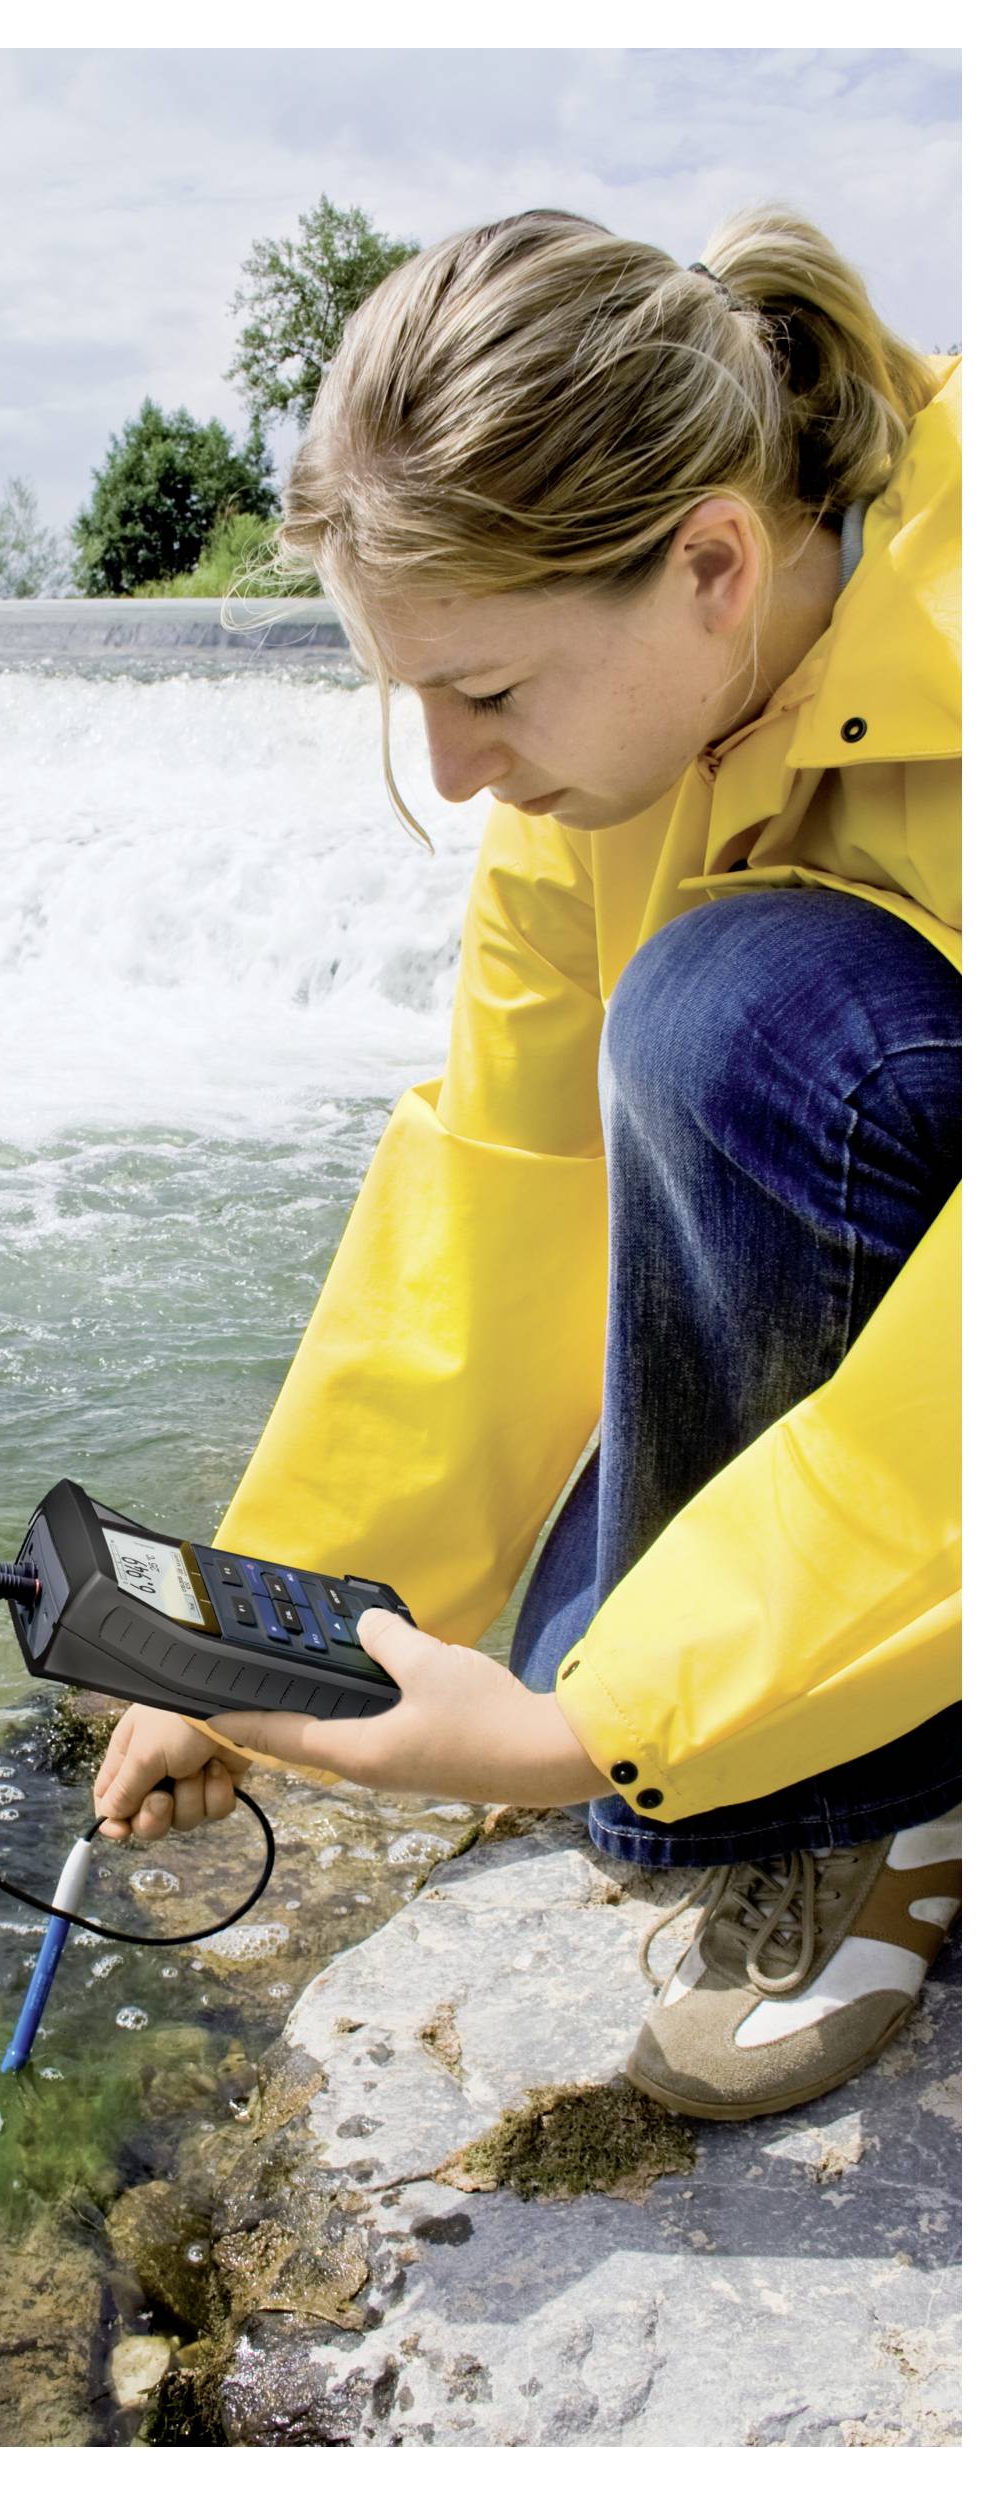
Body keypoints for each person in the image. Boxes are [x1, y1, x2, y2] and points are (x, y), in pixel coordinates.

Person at [91, 205, 960, 2123]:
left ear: (713, 564)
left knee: (736, 1013)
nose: (457, 765)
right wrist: (255, 1635)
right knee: (585, 1646)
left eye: (487, 691)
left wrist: (604, 1728)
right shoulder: (594, 783)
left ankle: (888, 1825)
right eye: (412, 696)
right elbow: (495, 1197)